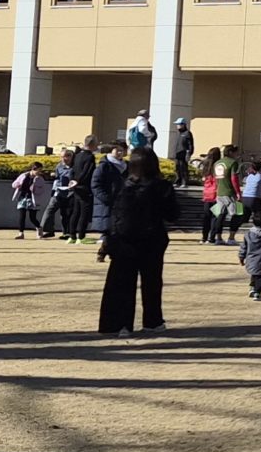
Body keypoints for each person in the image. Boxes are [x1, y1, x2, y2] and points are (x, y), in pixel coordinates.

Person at [97, 148, 177, 334]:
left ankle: (118, 324)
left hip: (124, 238)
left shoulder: (123, 185)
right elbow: (172, 214)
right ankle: (152, 321)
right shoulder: (162, 186)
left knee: (121, 283)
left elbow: (115, 213)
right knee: (152, 282)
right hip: (152, 238)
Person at [90, 143, 126, 243]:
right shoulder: (104, 166)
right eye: (117, 150)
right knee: (107, 229)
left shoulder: (126, 165)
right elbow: (95, 184)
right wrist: (106, 198)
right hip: (107, 202)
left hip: (122, 201)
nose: (120, 153)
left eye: (122, 150)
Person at [47, 153, 83, 241]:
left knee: (69, 213)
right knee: (62, 213)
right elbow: (57, 178)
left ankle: (69, 232)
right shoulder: (59, 166)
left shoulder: (75, 166)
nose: (64, 159)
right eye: (62, 157)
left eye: (66, 156)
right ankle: (63, 232)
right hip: (61, 192)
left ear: (71, 157)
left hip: (72, 192)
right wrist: (55, 188)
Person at [171, 118, 196, 186]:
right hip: (177, 154)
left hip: (184, 154)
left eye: (178, 124)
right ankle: (178, 181)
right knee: (177, 168)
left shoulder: (187, 133)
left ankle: (184, 182)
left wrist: (189, 153)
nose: (177, 126)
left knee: (183, 169)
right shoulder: (178, 133)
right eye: (177, 124)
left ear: (183, 125)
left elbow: (190, 145)